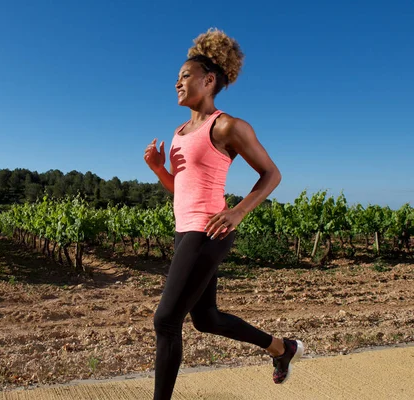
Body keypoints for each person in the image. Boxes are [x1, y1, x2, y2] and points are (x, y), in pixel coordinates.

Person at [143, 28, 304, 400]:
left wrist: (238, 212)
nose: (177, 84)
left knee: (166, 320)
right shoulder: (181, 131)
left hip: (209, 230)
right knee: (207, 319)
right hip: (185, 229)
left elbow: (271, 174)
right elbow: (180, 190)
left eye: (184, 76)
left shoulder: (228, 126)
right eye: (177, 78)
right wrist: (157, 169)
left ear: (209, 80)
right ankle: (282, 348)